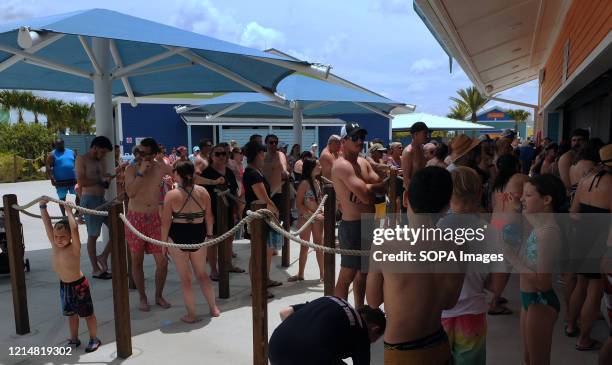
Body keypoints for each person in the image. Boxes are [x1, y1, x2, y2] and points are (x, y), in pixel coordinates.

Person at [366, 166, 464, 364]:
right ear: (446, 206)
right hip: (438, 344)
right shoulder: (458, 246)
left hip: (401, 352)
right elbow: (449, 302)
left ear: (405, 198)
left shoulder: (384, 243)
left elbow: (374, 300)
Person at [124, 138, 223, 312]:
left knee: (162, 262)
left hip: (155, 217)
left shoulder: (160, 167)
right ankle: (142, 297)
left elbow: (186, 176)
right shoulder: (131, 169)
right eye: (138, 152)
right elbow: (131, 192)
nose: (139, 156)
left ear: (154, 154)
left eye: (144, 153)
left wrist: (213, 182)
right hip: (135, 218)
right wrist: (140, 171)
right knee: (136, 260)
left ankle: (158, 295)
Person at [441, 166, 504, 365]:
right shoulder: (490, 232)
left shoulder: (437, 227)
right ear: (479, 193)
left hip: (439, 313)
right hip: (472, 312)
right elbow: (497, 281)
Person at [504, 174, 565, 365]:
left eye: (528, 195)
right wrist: (515, 204)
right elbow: (519, 215)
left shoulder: (548, 234)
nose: (523, 198)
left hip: (540, 301)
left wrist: (514, 260)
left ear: (546, 200)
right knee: (529, 359)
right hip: (529, 299)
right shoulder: (540, 224)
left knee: (538, 361)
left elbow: (543, 283)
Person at [332, 122, 385, 308]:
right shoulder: (342, 166)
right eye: (355, 137)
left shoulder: (363, 162)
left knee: (364, 272)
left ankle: (359, 310)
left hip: (369, 223)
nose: (360, 141)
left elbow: (381, 186)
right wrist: (369, 190)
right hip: (353, 225)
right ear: (344, 141)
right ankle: (339, 314)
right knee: (347, 274)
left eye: (362, 137)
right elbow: (366, 196)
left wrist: (368, 188)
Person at [160, 160, 220, 322]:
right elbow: (209, 216)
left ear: (178, 175)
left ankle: (191, 315)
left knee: (185, 279)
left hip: (178, 236)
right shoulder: (203, 192)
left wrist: (163, 244)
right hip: (199, 234)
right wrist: (209, 235)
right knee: (202, 275)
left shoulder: (171, 195)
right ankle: (213, 308)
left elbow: (165, 222)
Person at [39, 198, 101, 352]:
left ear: (70, 238)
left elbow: (74, 229)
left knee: (87, 314)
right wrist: (42, 206)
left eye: (62, 237)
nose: (58, 240)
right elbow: (47, 224)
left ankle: (94, 338)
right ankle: (74, 339)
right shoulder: (55, 246)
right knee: (71, 315)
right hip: (64, 286)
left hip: (78, 285)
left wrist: (68, 211)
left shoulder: (74, 248)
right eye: (56, 237)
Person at [567, 144, 611, 352]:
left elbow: (573, 213)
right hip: (601, 240)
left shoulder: (585, 180)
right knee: (595, 290)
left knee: (580, 284)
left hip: (582, 235)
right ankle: (584, 339)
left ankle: (570, 325)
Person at [268, 297, 385, 365]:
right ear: (374, 328)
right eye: (372, 340)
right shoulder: (361, 331)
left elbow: (285, 312)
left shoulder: (330, 300)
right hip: (305, 357)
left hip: (275, 349)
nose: (370, 343)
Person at [242, 140, 281, 297]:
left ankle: (264, 280)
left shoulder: (254, 171)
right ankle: (256, 288)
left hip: (262, 218)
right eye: (263, 152)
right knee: (257, 255)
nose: (265, 155)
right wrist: (276, 212)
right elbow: (263, 199)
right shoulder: (252, 173)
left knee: (265, 252)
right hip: (258, 219)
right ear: (258, 153)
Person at [201, 144, 243, 280]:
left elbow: (235, 192)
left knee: (229, 238)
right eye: (217, 154)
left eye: (223, 154)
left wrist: (237, 211)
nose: (221, 156)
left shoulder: (229, 172)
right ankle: (213, 270)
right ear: (211, 156)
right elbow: (200, 193)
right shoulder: (206, 172)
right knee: (212, 241)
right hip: (211, 212)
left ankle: (229, 265)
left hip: (228, 210)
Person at [75, 136, 113, 279]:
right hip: (89, 200)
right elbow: (81, 181)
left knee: (118, 230)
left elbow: (104, 184)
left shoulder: (101, 161)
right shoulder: (82, 159)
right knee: (93, 235)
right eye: (102, 152)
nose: (103, 155)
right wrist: (80, 210)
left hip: (102, 200)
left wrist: (107, 180)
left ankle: (103, 256)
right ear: (95, 147)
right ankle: (95, 269)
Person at [288, 157, 324, 282]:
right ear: (311, 168)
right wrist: (311, 215)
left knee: (320, 246)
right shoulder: (304, 183)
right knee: (305, 246)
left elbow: (319, 201)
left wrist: (321, 212)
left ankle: (322, 274)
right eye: (318, 165)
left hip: (317, 217)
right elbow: (299, 204)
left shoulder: (317, 182)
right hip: (306, 218)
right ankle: (301, 273)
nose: (320, 167)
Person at [262, 134, 290, 235]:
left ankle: (274, 246)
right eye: (271, 142)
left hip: (277, 192)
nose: (273, 144)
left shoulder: (280, 155)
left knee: (276, 218)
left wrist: (284, 171)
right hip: (264, 193)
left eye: (275, 142)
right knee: (263, 219)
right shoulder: (263, 156)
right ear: (266, 143)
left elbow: (283, 166)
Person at [46, 139, 78, 216]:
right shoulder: (52, 154)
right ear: (55, 145)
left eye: (61, 144)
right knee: (62, 199)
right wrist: (52, 179)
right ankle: (64, 215)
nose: (59, 146)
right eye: (57, 145)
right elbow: (48, 167)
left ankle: (78, 212)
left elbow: (77, 164)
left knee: (78, 195)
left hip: (73, 179)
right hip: (60, 181)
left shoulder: (71, 152)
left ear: (63, 143)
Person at [401, 121, 428, 207]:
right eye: (425, 133)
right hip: (414, 197)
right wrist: (416, 198)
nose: (427, 136)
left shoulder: (422, 148)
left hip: (423, 194)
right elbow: (406, 179)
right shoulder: (408, 152)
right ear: (415, 134)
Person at [558, 128, 589, 194]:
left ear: (586, 141)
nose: (576, 143)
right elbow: (568, 184)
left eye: (580, 140)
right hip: (571, 196)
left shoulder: (585, 156)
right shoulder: (566, 157)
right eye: (574, 140)